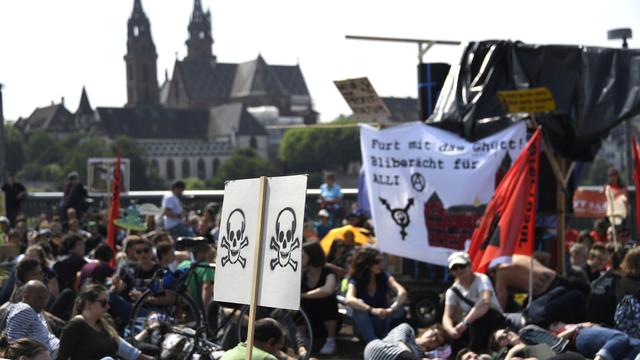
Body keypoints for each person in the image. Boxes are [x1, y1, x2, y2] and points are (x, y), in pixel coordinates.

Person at [58, 284, 152, 360]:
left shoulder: (105, 320)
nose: (108, 307)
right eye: (104, 303)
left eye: (108, 303)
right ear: (89, 304)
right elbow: (62, 357)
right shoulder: (76, 325)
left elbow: (122, 346)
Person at [491, 254, 587, 328]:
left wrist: (499, 323)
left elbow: (501, 299)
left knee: (533, 320)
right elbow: (546, 255)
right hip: (556, 279)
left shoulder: (500, 272)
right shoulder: (516, 256)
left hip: (546, 292)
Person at [442, 252, 504, 353]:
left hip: (493, 320)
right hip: (471, 325)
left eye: (462, 266)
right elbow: (447, 315)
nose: (459, 270)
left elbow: (485, 301)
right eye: (455, 268)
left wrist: (465, 322)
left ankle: (475, 351)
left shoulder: (481, 279)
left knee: (479, 319)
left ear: (470, 266)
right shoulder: (452, 291)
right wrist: (451, 330)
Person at [345, 247, 407, 343]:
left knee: (399, 305)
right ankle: (373, 342)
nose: (380, 265)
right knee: (358, 305)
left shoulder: (385, 277)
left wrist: (391, 309)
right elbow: (349, 299)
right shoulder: (356, 280)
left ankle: (384, 339)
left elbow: (402, 292)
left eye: (381, 261)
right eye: (377, 262)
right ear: (367, 264)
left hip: (382, 323)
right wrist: (373, 310)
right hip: (364, 328)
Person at [300, 241, 339, 355]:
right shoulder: (301, 272)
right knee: (297, 304)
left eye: (303, 254)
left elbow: (328, 290)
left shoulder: (327, 271)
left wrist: (304, 295)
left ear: (312, 255)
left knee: (328, 299)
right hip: (307, 320)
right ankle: (302, 340)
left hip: (325, 319)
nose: (300, 257)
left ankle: (331, 340)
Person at [5, 280, 59, 357]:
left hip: (53, 351)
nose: (43, 302)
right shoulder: (24, 309)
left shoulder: (35, 310)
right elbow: (14, 343)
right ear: (26, 296)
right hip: (51, 353)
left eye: (45, 299)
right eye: (39, 298)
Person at [363, 323, 448, 360]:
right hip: (380, 351)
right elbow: (399, 343)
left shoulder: (421, 355)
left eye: (437, 342)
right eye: (435, 335)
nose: (433, 340)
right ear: (428, 330)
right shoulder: (408, 330)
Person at [220, 317, 286, 360]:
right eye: (278, 349)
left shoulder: (228, 353)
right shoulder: (267, 358)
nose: (278, 353)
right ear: (270, 342)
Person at [177, 242, 214, 311]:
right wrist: (206, 313)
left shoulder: (182, 265)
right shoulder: (206, 267)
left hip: (186, 310)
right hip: (201, 311)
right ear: (201, 254)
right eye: (209, 255)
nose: (212, 259)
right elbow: (206, 288)